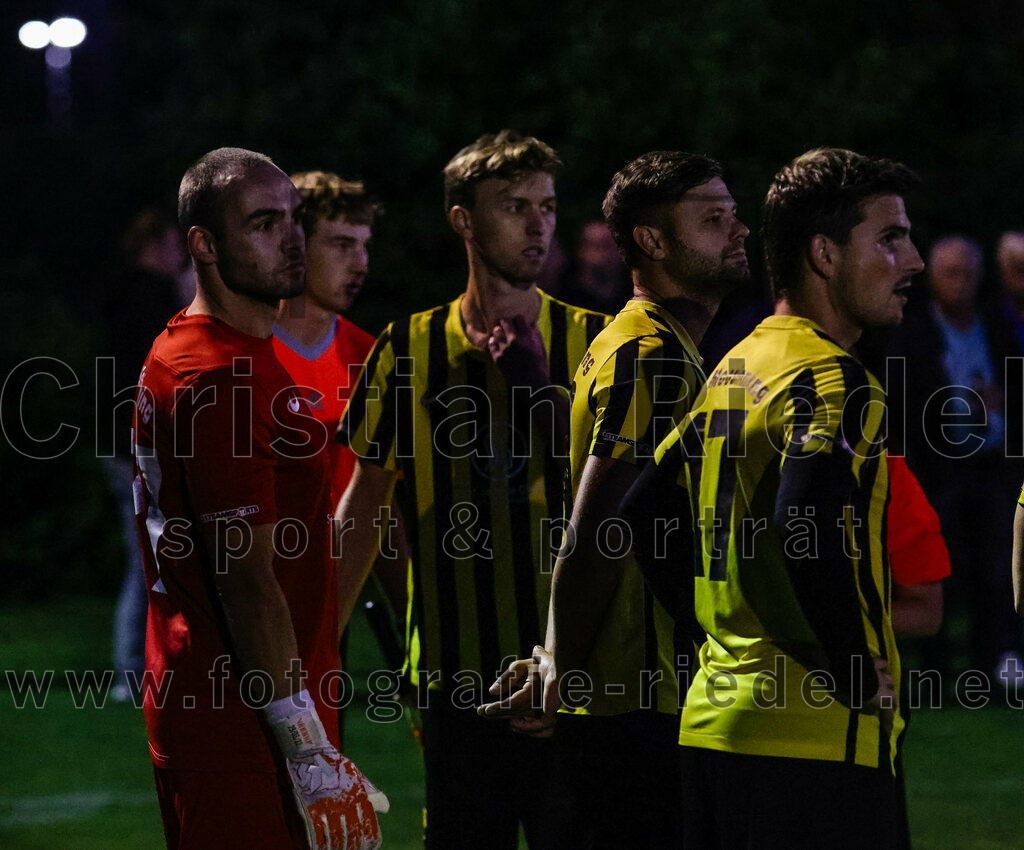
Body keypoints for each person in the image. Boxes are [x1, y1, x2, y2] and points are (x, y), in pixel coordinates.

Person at [623, 147, 924, 849]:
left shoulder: (740, 362)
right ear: (823, 254)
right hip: (816, 746)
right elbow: (804, 520)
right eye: (889, 238)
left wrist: (705, 636)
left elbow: (641, 512)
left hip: (714, 731)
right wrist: (850, 667)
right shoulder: (835, 379)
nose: (911, 261)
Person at [334, 130, 607, 848]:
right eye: (514, 205)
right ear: (463, 219)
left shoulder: (600, 342)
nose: (538, 223)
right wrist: (308, 648)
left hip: (578, 676)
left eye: (546, 205)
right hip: (458, 681)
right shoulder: (406, 349)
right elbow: (361, 513)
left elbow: (629, 506)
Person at [480, 151, 750, 847]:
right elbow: (600, 528)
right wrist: (559, 668)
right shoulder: (652, 352)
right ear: (654, 242)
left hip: (631, 701)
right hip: (638, 704)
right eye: (714, 219)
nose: (739, 230)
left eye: (733, 214)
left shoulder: (636, 342)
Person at [132, 147, 385, 849]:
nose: (293, 238)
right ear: (204, 245)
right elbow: (245, 573)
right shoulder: (216, 374)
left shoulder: (230, 348)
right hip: (239, 711)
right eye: (265, 224)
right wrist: (305, 744)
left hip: (254, 694)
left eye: (295, 219)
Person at [888, 235, 1023, 687]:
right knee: (940, 566)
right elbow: (904, 406)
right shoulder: (913, 333)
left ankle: (993, 662)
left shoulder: (997, 328)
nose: (961, 284)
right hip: (938, 470)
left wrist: (1002, 403)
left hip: (991, 465)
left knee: (996, 565)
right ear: (931, 279)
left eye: (968, 274)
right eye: (951, 274)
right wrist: (960, 407)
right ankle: (937, 667)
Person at [100, 208, 191, 702]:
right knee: (148, 562)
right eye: (174, 245)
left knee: (147, 558)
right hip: (141, 446)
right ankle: (133, 668)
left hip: (120, 445)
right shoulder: (153, 297)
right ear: (155, 246)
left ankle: (138, 665)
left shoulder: (116, 298)